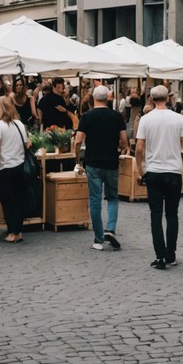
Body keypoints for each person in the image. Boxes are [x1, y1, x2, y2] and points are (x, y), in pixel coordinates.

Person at [134, 85, 183, 270]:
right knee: (172, 214)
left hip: (154, 170)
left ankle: (159, 255)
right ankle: (170, 254)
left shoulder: (145, 119)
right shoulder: (179, 118)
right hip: (173, 170)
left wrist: (139, 169)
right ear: (168, 98)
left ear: (150, 98)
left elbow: (140, 147)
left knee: (155, 215)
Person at [74, 85, 129, 251]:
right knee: (112, 197)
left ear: (93, 99)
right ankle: (110, 229)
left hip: (92, 163)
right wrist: (119, 147)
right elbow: (125, 141)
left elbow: (78, 141)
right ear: (108, 98)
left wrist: (77, 159)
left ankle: (98, 239)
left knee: (95, 199)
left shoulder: (86, 117)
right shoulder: (117, 116)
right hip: (111, 161)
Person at [0, 95, 31, 243]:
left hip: (5, 168)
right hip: (20, 166)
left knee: (7, 201)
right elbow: (27, 144)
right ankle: (18, 231)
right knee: (18, 200)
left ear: (0, 109)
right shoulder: (19, 124)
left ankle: (12, 232)